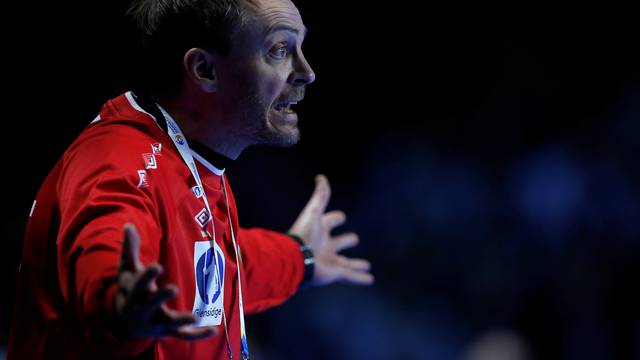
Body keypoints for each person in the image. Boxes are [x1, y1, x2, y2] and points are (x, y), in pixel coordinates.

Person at [8, 0, 374, 358]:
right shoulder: (120, 163)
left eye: (301, 46)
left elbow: (212, 269)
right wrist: (121, 306)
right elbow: (111, 255)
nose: (307, 71)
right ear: (204, 70)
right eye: (279, 49)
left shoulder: (185, 156)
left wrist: (300, 257)